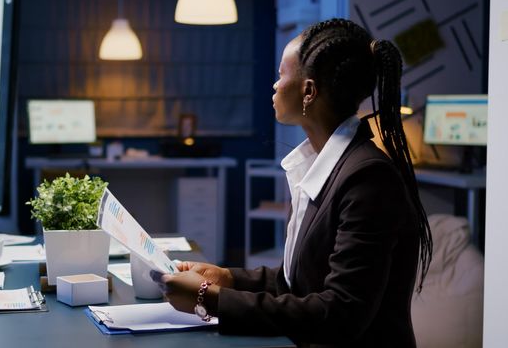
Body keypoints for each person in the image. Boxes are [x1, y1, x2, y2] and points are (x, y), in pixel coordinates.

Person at [151, 18, 433, 347]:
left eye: (281, 74)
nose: (274, 85)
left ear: (308, 91)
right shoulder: (326, 166)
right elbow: (300, 282)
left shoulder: (368, 178)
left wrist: (209, 298)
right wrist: (226, 277)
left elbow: (341, 313)